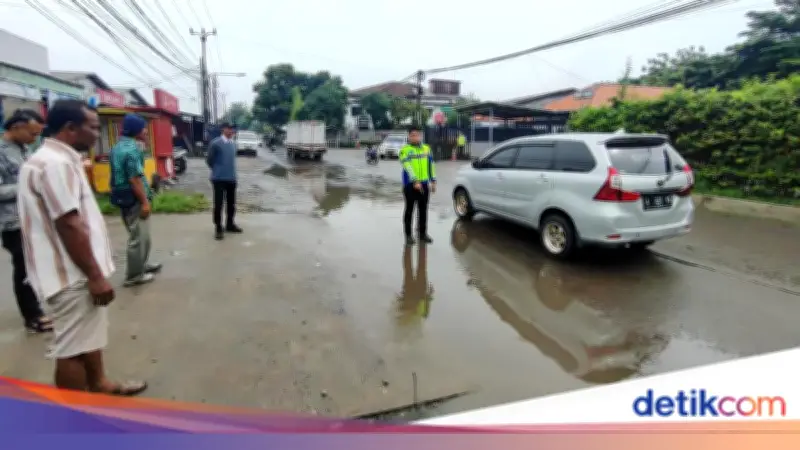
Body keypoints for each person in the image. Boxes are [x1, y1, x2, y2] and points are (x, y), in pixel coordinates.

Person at [17, 99, 147, 396]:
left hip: (72, 270)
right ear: (70, 128)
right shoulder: (55, 164)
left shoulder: (51, 160)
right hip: (72, 274)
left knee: (86, 337)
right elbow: (69, 224)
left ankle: (100, 384)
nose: (97, 133)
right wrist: (95, 276)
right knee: (72, 348)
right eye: (92, 127)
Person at [0, 109, 53, 333]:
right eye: (32, 133)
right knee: (23, 267)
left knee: (33, 265)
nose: (35, 139)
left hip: (30, 217)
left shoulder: (24, 149)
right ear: (16, 127)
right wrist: (29, 184)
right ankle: (32, 316)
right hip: (12, 221)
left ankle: (35, 309)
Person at [109, 113, 161, 287]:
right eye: (143, 128)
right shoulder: (131, 149)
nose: (146, 131)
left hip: (122, 197)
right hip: (134, 198)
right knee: (138, 237)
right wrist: (145, 202)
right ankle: (134, 275)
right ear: (137, 129)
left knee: (141, 236)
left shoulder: (118, 146)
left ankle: (142, 265)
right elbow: (134, 179)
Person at [398, 126, 436, 245]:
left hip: (424, 184)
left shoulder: (426, 149)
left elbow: (431, 165)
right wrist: (415, 181)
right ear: (409, 137)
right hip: (410, 185)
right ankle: (408, 236)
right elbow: (407, 166)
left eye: (417, 135)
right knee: (409, 210)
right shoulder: (405, 150)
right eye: (413, 135)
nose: (415, 137)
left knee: (423, 210)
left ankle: (422, 234)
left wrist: (433, 180)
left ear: (420, 136)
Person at [206, 122, 242, 240]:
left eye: (233, 129)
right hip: (219, 179)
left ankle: (230, 224)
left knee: (231, 204)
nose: (231, 131)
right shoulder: (215, 143)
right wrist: (217, 170)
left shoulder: (233, 144)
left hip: (231, 178)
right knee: (218, 204)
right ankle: (218, 228)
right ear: (223, 129)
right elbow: (209, 160)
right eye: (229, 129)